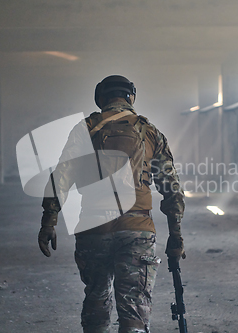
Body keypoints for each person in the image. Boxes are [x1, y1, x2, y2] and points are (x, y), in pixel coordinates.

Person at [38, 75, 186, 333]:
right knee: (134, 307)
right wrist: (176, 235)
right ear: (131, 97)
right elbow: (171, 188)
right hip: (137, 229)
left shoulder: (85, 129)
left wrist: (48, 221)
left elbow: (61, 175)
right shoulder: (149, 132)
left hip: (93, 229)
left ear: (101, 98)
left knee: (96, 298)